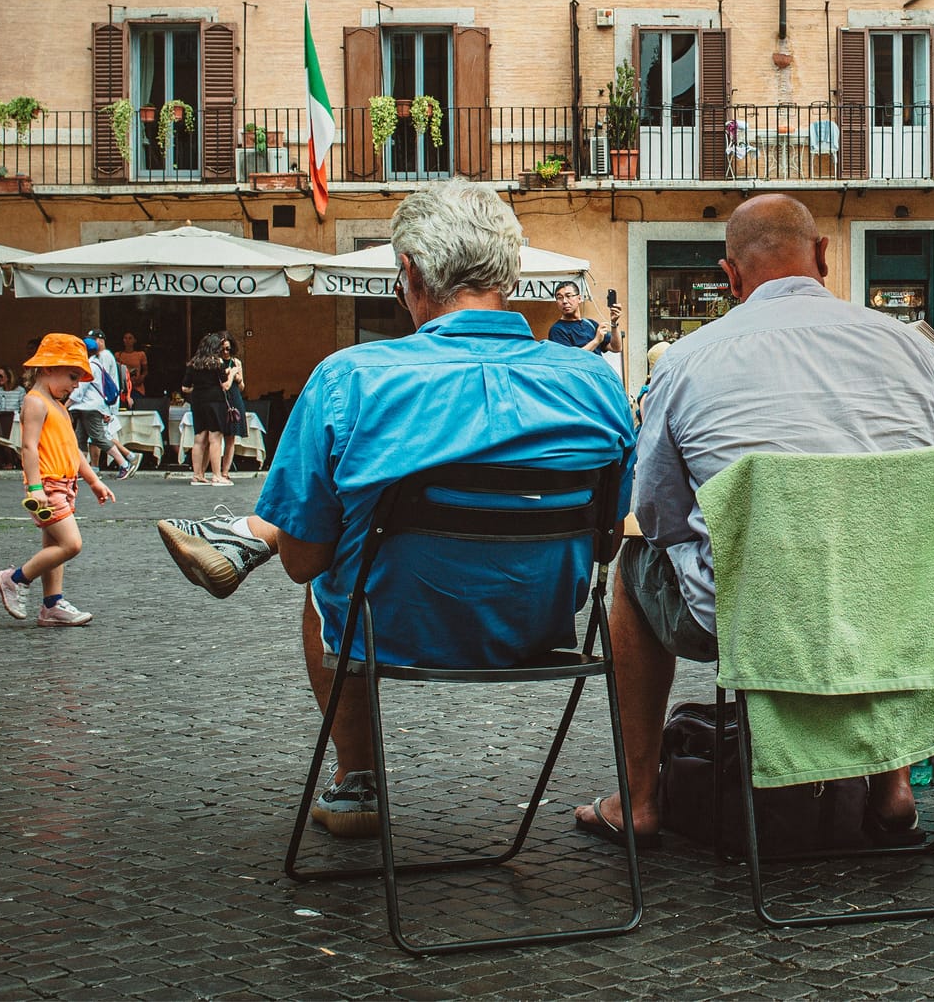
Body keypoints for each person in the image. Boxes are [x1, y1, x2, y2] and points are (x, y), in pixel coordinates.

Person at [149, 181, 636, 838]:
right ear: (512, 273)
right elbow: (607, 544)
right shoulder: (597, 384)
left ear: (406, 272)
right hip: (538, 623)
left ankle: (358, 782)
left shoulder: (349, 378)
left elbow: (304, 561)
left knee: (325, 584)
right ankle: (243, 535)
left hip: (396, 628)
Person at [572, 194, 934, 851]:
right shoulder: (913, 352)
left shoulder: (686, 362)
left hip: (751, 614)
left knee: (633, 572)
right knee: (879, 566)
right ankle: (892, 791)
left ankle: (639, 801)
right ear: (824, 255)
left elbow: (656, 518)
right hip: (893, 607)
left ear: (730, 276)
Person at [0, 335, 113, 627]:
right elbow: (28, 447)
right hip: (47, 486)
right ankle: (14, 578)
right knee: (71, 544)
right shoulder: (35, 402)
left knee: (54, 547)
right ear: (47, 368)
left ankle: (52, 605)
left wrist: (94, 481)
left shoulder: (57, 405)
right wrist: (35, 488)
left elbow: (74, 450)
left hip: (64, 484)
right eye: (72, 376)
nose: (76, 384)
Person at [69, 331, 141, 482]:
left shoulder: (93, 363)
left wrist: (66, 404)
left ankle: (124, 464)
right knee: (80, 439)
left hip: (91, 407)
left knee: (99, 437)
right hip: (86, 407)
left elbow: (80, 389)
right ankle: (83, 469)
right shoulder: (95, 361)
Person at [182, 333, 232, 486]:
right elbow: (226, 386)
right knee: (215, 438)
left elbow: (185, 387)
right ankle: (217, 475)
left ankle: (197, 475)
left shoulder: (193, 363)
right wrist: (232, 374)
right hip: (215, 401)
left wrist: (200, 388)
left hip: (198, 401)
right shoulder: (217, 363)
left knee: (199, 438)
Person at [546, 281, 622, 354]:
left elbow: (616, 348)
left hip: (599, 366)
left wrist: (614, 323)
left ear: (579, 298)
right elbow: (568, 360)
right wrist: (596, 341)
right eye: (560, 298)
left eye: (568, 296)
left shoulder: (591, 324)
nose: (564, 301)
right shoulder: (557, 330)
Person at [219, 334, 248, 479]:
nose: (225, 352)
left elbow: (242, 387)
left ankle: (225, 471)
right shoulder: (216, 362)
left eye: (228, 349)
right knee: (217, 435)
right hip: (220, 400)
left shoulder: (236, 362)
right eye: (223, 349)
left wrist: (238, 378)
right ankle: (215, 470)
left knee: (231, 437)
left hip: (234, 399)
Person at [113, 331, 149, 401]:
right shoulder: (118, 355)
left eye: (130, 338)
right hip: (123, 388)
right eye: (125, 338)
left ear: (134, 340)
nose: (127, 340)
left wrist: (141, 378)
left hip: (137, 387)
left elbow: (145, 370)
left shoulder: (140, 354)